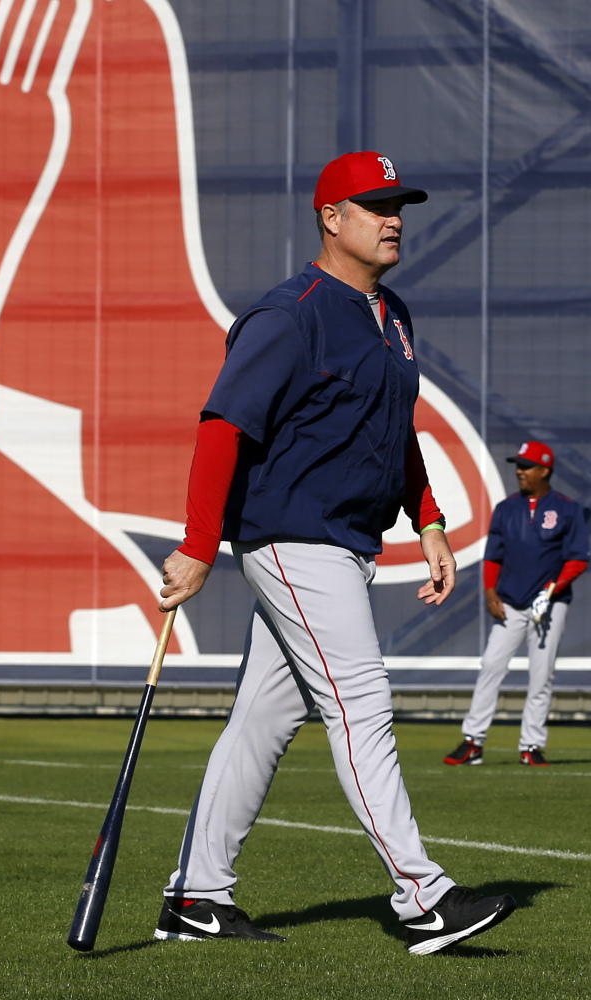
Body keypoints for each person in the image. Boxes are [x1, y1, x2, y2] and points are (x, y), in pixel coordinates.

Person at [153, 151, 516, 955]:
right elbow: (224, 427)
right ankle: (423, 898)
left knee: (260, 722)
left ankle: (195, 899)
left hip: (341, 541)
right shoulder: (292, 314)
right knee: (361, 701)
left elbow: (396, 431)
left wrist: (426, 519)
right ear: (331, 218)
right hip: (293, 538)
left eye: (400, 205)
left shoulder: (391, 317)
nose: (394, 218)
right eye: (376, 204)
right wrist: (197, 546)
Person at [445, 440, 588, 768]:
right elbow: (493, 556)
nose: (519, 471)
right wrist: (490, 593)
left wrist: (551, 590)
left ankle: (531, 746)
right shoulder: (507, 508)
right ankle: (473, 742)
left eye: (526, 466)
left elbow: (578, 558)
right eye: (518, 465)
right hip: (510, 602)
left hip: (549, 606)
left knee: (541, 676)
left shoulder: (568, 509)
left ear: (544, 470)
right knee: (491, 667)